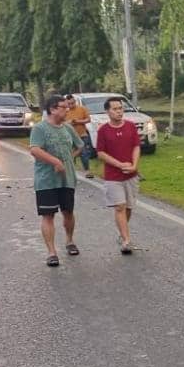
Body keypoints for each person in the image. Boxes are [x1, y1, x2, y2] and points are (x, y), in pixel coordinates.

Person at [28, 94, 83, 267]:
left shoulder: (68, 128)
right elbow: (35, 150)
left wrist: (69, 159)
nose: (67, 110)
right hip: (46, 180)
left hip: (67, 179)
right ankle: (51, 252)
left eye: (68, 107)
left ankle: (69, 240)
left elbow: (80, 145)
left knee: (68, 212)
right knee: (48, 215)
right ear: (52, 109)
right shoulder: (40, 129)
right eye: (64, 107)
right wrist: (55, 161)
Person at [95, 96, 140, 255]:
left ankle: (122, 233)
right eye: (115, 109)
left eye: (120, 108)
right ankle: (127, 240)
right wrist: (120, 165)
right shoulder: (103, 130)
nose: (119, 112)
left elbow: (136, 146)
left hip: (131, 175)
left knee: (128, 207)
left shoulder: (131, 126)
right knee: (120, 206)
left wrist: (134, 165)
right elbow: (101, 153)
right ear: (107, 111)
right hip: (113, 176)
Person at [64, 93, 95, 178]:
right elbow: (61, 122)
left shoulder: (82, 109)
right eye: (69, 104)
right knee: (70, 154)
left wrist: (78, 121)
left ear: (75, 101)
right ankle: (70, 171)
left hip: (82, 135)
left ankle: (87, 171)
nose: (71, 105)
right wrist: (69, 122)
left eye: (72, 103)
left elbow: (88, 119)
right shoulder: (65, 111)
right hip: (69, 137)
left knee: (84, 153)